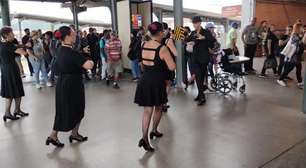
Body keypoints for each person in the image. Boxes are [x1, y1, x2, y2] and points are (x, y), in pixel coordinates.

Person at [46, 26, 94, 148]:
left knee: (61, 110)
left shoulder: (59, 50)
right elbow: (88, 65)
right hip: (73, 84)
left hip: (61, 83)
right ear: (67, 36)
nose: (75, 36)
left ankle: (53, 135)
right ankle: (74, 133)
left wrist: (81, 54)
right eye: (73, 34)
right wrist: (89, 57)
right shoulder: (72, 53)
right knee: (79, 108)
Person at [134, 22, 176, 152]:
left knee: (147, 111)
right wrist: (171, 48)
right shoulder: (162, 48)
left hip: (145, 80)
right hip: (157, 82)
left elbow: (142, 64)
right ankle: (154, 130)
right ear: (160, 33)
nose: (164, 33)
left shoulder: (144, 45)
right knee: (158, 108)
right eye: (163, 31)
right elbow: (172, 67)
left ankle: (145, 137)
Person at [0, 27, 29, 122]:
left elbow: (17, 46)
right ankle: (11, 112)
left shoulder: (3, 44)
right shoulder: (8, 45)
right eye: (12, 33)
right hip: (11, 70)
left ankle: (14, 111)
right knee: (14, 90)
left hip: (5, 69)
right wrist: (24, 48)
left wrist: (22, 46)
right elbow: (24, 53)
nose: (13, 34)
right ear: (6, 35)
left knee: (12, 91)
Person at [191, 16, 216, 106]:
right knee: (198, 77)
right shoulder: (193, 32)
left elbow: (213, 40)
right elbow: (187, 39)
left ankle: (200, 95)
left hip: (204, 58)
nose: (194, 24)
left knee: (200, 78)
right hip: (195, 58)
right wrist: (177, 34)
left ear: (200, 23)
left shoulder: (206, 32)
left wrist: (204, 38)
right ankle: (201, 96)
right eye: (193, 23)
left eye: (196, 23)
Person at [277, 22, 305, 87]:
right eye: (301, 28)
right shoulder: (294, 35)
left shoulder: (297, 35)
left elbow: (302, 42)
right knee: (289, 68)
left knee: (299, 68)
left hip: (296, 56)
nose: (302, 29)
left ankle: (300, 82)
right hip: (292, 56)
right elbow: (300, 42)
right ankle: (280, 79)